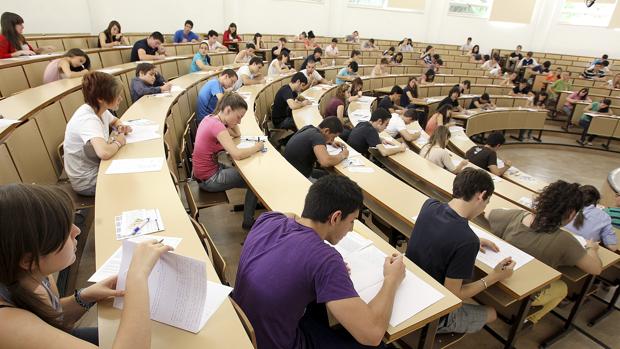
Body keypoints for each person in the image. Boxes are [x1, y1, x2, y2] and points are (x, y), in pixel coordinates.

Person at [233, 174, 405, 349]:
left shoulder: (268, 219)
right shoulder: (325, 260)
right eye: (351, 221)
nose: (351, 229)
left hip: (246, 333)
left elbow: (290, 216)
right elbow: (373, 334)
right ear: (335, 218)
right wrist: (392, 278)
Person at [0, 183, 172, 349]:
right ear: (28, 260)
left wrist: (84, 297)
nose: (77, 231)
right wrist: (137, 276)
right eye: (64, 231)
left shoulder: (31, 273)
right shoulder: (7, 325)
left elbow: (52, 320)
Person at [406, 168, 515, 334]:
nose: (485, 207)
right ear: (481, 195)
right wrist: (494, 277)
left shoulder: (430, 204)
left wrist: (474, 240)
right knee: (492, 313)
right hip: (432, 310)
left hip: (410, 285)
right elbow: (453, 294)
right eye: (487, 201)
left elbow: (440, 232)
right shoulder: (466, 240)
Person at [487, 181, 603, 324]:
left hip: (495, 281)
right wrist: (592, 248)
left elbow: (489, 213)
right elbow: (596, 269)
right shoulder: (565, 241)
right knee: (562, 288)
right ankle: (530, 319)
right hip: (524, 295)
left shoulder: (517, 216)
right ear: (572, 213)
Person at [192, 92, 262, 229]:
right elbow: (237, 155)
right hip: (209, 179)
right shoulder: (217, 126)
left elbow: (237, 134)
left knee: (244, 173)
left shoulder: (210, 118)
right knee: (254, 182)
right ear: (228, 109)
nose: (240, 121)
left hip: (206, 172)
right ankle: (248, 221)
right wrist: (257, 147)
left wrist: (232, 120)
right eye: (238, 117)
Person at [63, 72, 131, 196]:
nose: (120, 98)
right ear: (100, 99)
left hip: (97, 167)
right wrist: (118, 142)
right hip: (87, 181)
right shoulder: (88, 119)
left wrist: (120, 126)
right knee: (131, 183)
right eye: (117, 95)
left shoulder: (100, 109)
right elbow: (104, 153)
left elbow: (114, 121)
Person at [284, 117, 349, 180]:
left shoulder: (309, 128)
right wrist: (343, 155)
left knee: (326, 174)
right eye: (334, 137)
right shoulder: (318, 137)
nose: (333, 139)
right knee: (333, 181)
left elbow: (313, 141)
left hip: (290, 169)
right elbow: (326, 162)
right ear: (326, 131)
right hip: (299, 177)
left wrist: (330, 141)